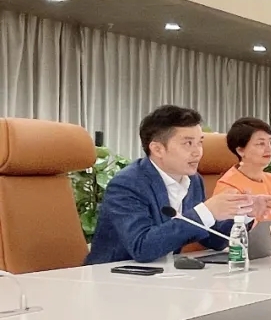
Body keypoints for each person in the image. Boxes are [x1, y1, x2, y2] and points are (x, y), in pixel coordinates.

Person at [86, 105, 260, 264]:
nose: (198, 152)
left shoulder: (193, 180)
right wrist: (206, 211)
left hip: (165, 276)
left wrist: (244, 214)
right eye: (188, 143)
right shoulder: (127, 184)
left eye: (200, 142)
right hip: (115, 277)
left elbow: (213, 239)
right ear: (158, 149)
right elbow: (142, 247)